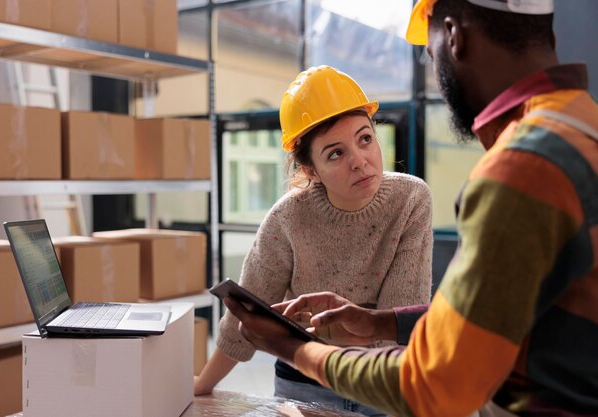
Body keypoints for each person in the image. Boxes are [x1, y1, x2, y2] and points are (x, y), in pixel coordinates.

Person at [224, 1, 598, 416]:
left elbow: (434, 385)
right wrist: (382, 323)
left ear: (454, 36)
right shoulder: (583, 127)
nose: (434, 69)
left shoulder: (522, 169)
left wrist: (293, 348)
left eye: (431, 50)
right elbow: (508, 313)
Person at [194, 65, 434, 416]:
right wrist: (203, 385)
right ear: (310, 170)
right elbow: (243, 316)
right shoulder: (288, 217)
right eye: (336, 153)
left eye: (365, 138)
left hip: (379, 381)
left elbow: (399, 318)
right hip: (303, 382)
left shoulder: (411, 199)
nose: (360, 162)